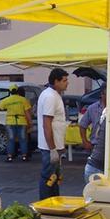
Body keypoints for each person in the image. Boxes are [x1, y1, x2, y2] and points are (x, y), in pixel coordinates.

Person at [38, 68, 69, 200]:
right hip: (50, 146)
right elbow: (47, 124)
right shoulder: (50, 96)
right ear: (56, 81)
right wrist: (52, 149)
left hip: (55, 145)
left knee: (55, 178)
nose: (67, 83)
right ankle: (46, 206)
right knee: (48, 178)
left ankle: (55, 204)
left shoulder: (54, 94)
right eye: (64, 80)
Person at [0, 84, 32, 162]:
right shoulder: (23, 100)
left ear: (10, 91)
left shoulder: (7, 100)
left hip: (10, 121)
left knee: (10, 140)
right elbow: (27, 113)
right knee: (23, 139)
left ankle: (9, 157)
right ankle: (24, 156)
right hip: (22, 121)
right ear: (17, 91)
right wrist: (30, 122)